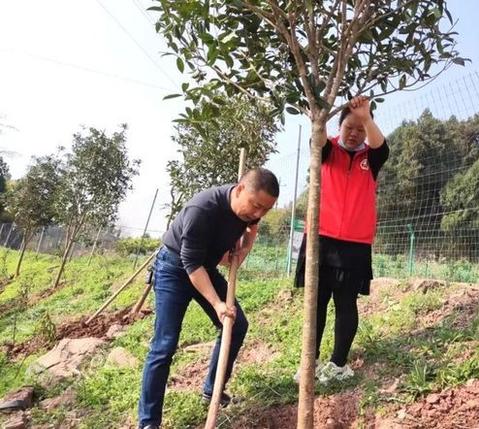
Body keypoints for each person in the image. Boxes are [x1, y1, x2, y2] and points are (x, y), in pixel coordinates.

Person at [137, 168, 279, 429]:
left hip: (206, 268)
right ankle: (148, 422)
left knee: (236, 326)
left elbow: (233, 256)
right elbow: (190, 263)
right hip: (174, 268)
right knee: (164, 346)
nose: (258, 214)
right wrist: (217, 304)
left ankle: (213, 390)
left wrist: (248, 241)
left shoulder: (249, 212)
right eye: (256, 206)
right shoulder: (202, 209)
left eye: (265, 211)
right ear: (239, 190)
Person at [294, 96, 389, 383]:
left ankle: (338, 364)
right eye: (350, 126)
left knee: (346, 303)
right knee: (317, 303)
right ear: (339, 126)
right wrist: (319, 116)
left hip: (354, 244)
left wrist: (366, 116)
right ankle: (309, 363)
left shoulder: (370, 158)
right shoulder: (327, 150)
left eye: (360, 129)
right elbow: (318, 139)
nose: (354, 133)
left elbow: (381, 147)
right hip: (320, 240)